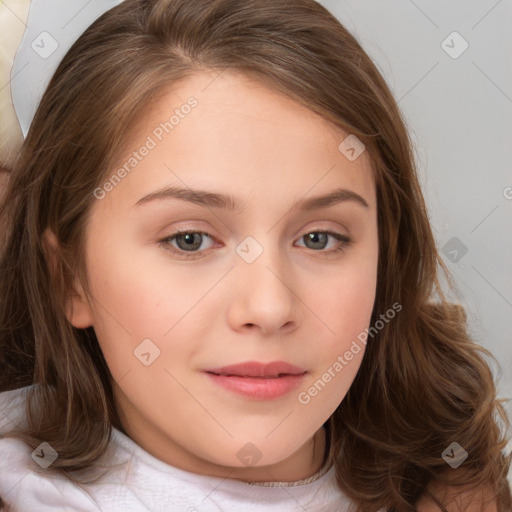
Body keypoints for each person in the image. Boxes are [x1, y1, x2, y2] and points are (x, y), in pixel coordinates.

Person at [0, 0, 510, 510]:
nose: (269, 308)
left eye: (319, 238)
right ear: (69, 277)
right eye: (190, 240)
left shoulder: (452, 480)